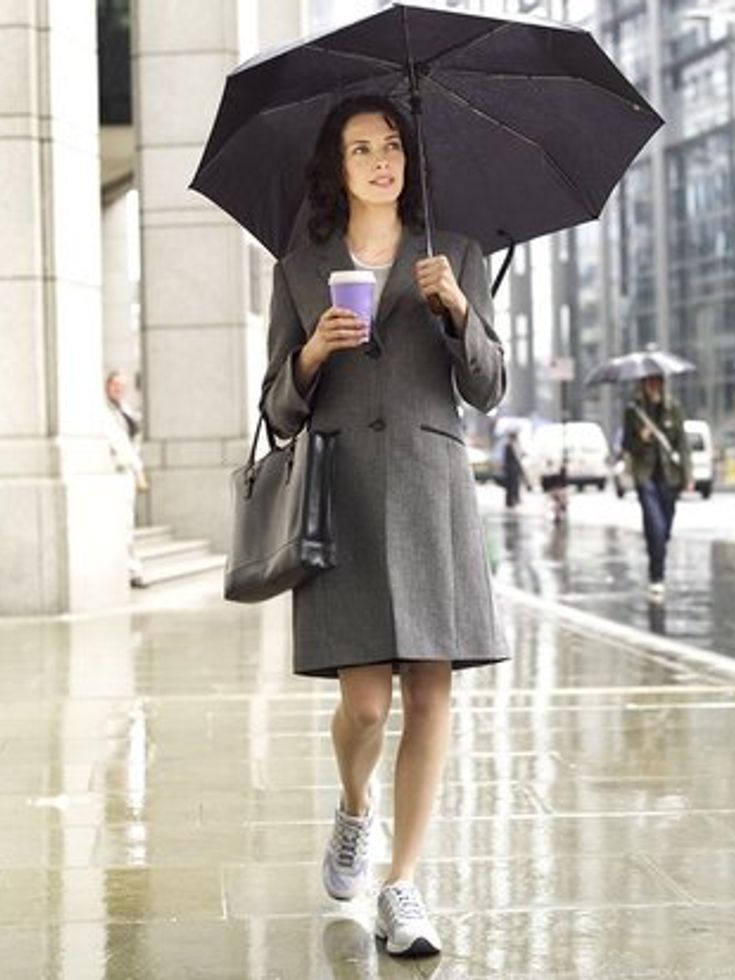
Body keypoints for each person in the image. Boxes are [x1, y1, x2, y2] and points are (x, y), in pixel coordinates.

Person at [260, 95, 507, 959]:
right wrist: (313, 352)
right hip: (347, 496)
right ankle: (355, 809)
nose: (379, 160)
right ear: (338, 167)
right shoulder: (299, 268)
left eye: (392, 144)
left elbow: (489, 388)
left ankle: (401, 886)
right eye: (361, 148)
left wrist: (460, 313)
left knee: (432, 691)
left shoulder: (459, 256)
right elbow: (278, 411)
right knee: (364, 705)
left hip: (432, 488)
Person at [621, 374, 691, 600]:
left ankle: (656, 557)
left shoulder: (674, 408)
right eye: (649, 382)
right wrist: (641, 438)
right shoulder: (634, 411)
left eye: (657, 382)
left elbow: (683, 444)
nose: (653, 387)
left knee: (664, 530)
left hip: (670, 477)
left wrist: (688, 476)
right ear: (642, 384)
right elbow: (626, 445)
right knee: (656, 526)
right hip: (646, 477)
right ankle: (657, 576)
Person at [104, 370, 147, 588]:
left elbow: (133, 446)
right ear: (107, 386)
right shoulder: (104, 413)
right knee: (124, 524)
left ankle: (133, 569)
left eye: (121, 386)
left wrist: (139, 472)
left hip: (128, 472)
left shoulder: (126, 412)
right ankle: (131, 570)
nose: (118, 389)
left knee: (128, 523)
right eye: (114, 385)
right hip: (116, 471)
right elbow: (122, 447)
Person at [502, 430, 528, 508]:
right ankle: (510, 501)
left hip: (514, 468)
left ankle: (514, 500)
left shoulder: (513, 445)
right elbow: (511, 458)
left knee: (515, 484)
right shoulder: (509, 445)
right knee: (511, 485)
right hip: (511, 468)